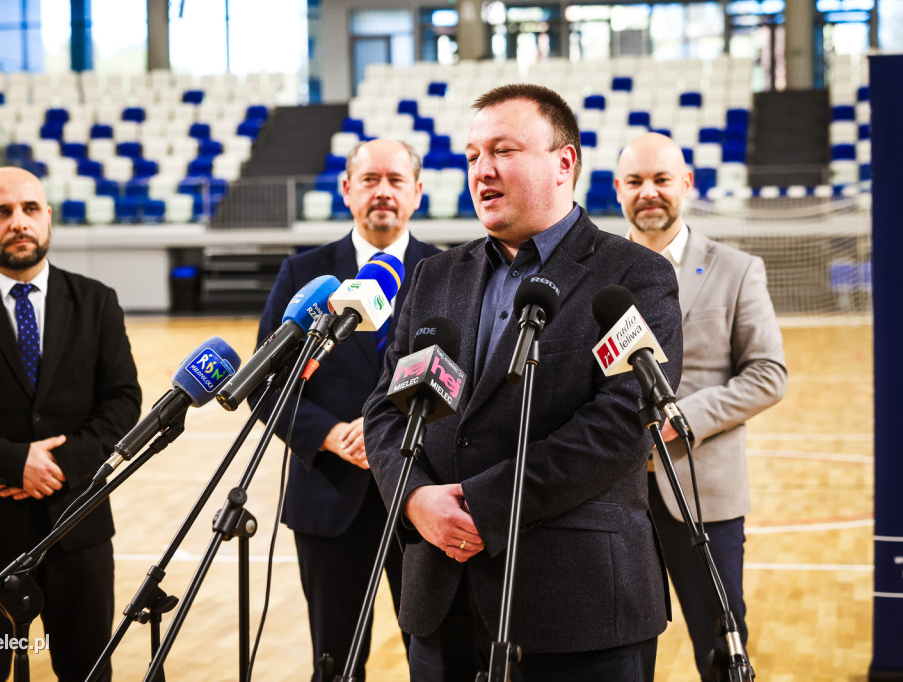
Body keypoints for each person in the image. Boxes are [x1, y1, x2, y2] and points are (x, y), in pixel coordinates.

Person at [362, 84, 683, 681]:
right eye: (471, 156)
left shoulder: (634, 274)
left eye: (502, 151)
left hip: (578, 605)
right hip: (443, 597)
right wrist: (412, 499)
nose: (482, 170)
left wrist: (483, 507)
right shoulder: (433, 276)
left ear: (564, 163)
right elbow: (386, 407)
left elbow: (622, 423)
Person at [0, 166, 142, 681]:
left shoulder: (97, 301)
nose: (19, 222)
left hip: (77, 529)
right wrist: (15, 463)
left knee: (87, 672)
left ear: (48, 218)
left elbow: (124, 402)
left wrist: (57, 466)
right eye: (1, 212)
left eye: (30, 209)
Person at [255, 139, 440, 681]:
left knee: (436, 658)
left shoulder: (451, 270)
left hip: (421, 491)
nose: (382, 191)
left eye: (395, 180)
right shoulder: (304, 275)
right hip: (332, 495)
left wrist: (399, 431)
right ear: (347, 190)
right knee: (335, 664)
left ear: (417, 192)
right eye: (369, 180)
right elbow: (267, 385)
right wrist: (331, 433)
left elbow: (470, 380)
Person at [615, 132, 787, 680]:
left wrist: (685, 418)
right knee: (619, 652)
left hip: (703, 493)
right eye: (636, 181)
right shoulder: (596, 271)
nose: (649, 192)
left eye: (661, 179)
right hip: (610, 497)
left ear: (686, 184)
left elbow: (768, 374)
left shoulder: (737, 269)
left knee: (720, 649)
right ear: (617, 189)